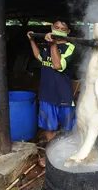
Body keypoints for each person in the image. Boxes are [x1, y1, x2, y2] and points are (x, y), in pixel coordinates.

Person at [27, 19, 76, 167]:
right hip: (47, 95)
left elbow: (57, 65)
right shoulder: (47, 47)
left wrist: (53, 44)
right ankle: (53, 152)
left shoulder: (69, 47)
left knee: (69, 128)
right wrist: (32, 41)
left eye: (62, 28)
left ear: (67, 33)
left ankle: (69, 153)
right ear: (51, 28)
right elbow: (39, 57)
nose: (59, 30)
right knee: (49, 128)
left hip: (64, 96)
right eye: (56, 27)